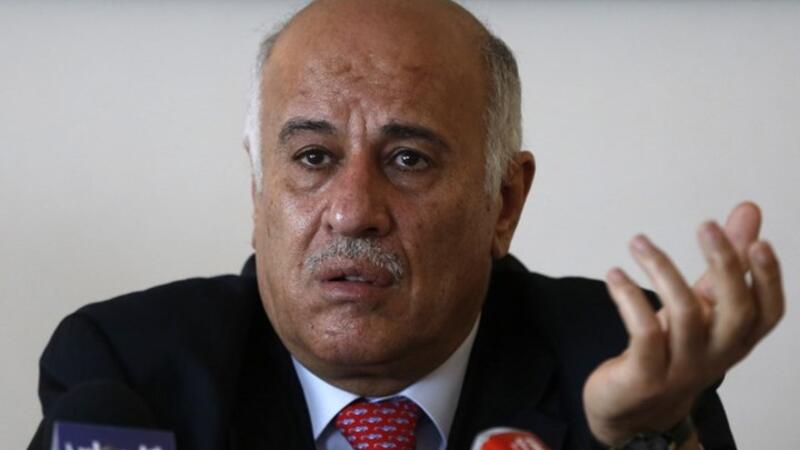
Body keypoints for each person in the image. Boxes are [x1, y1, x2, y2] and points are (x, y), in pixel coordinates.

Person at [29, 1, 785, 449]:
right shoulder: (129, 368)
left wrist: (647, 437)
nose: (352, 210)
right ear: (258, 193)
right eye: (314, 156)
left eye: (409, 160)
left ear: (504, 202)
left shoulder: (624, 358)